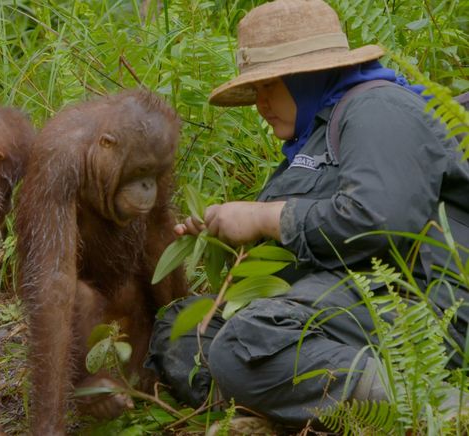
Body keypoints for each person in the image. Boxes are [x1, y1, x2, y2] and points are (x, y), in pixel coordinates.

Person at [145, 0, 469, 431]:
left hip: (417, 303)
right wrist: (229, 236)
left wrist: (266, 218)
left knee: (249, 340)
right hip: (335, 300)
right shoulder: (314, 137)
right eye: (255, 90)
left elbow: (382, 220)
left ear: (308, 75)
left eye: (270, 85)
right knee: (184, 327)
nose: (260, 103)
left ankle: (437, 408)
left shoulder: (378, 108)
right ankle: (270, 409)